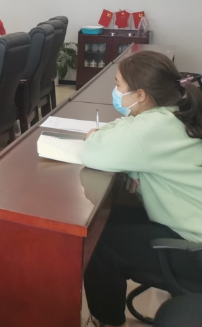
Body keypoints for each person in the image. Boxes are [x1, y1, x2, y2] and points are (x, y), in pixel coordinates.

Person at [80, 52, 202, 327]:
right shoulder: (175, 112)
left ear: (141, 95)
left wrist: (94, 138)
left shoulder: (153, 126)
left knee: (97, 243)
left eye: (118, 85)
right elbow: (127, 127)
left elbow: (93, 153)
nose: (116, 92)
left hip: (195, 250)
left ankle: (107, 321)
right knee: (108, 218)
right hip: (190, 225)